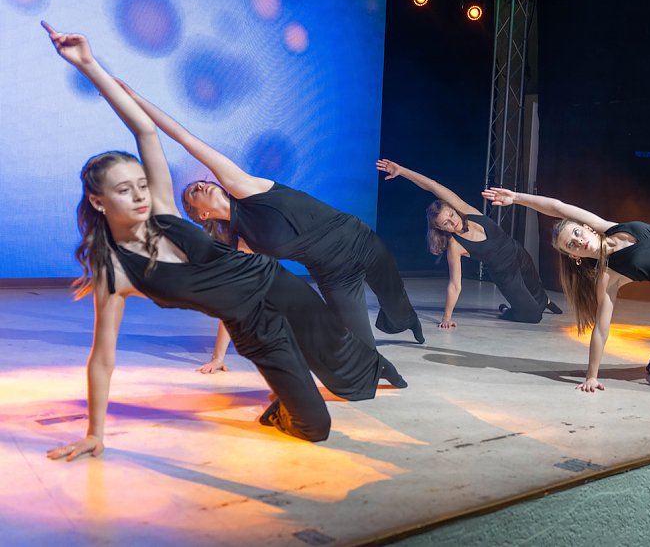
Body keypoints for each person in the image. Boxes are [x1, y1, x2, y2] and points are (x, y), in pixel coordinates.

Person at [42, 23, 405, 459]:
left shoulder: (161, 212)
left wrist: (87, 63)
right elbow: (102, 358)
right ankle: (282, 409)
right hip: (254, 327)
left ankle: (374, 366)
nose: (140, 195)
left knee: (347, 372)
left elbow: (146, 132)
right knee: (315, 428)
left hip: (277, 284)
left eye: (141, 183)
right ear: (98, 202)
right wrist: (95, 432)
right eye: (124, 190)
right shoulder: (115, 271)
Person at [110, 83, 423, 374]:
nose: (203, 184)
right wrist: (219, 356)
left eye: (203, 182)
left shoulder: (244, 186)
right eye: (195, 191)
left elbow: (185, 138)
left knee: (395, 302)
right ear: (202, 214)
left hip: (357, 240)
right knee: (361, 355)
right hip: (334, 275)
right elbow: (234, 300)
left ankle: (405, 318)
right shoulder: (245, 241)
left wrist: (135, 99)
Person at [482, 186, 650, 395]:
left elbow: (557, 206)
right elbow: (601, 328)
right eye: (571, 245)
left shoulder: (609, 226)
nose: (578, 240)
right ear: (574, 256)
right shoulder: (608, 276)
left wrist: (516, 198)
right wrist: (591, 376)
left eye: (577, 232)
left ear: (587, 228)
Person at [376, 159, 562, 327]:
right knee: (532, 316)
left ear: (454, 209)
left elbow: (433, 186)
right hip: (505, 275)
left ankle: (544, 301)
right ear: (441, 229)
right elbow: (455, 285)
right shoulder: (455, 247)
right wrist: (446, 318)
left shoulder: (468, 211)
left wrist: (401, 171)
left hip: (517, 251)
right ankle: (507, 311)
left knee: (535, 287)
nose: (452, 222)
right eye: (445, 224)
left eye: (450, 215)